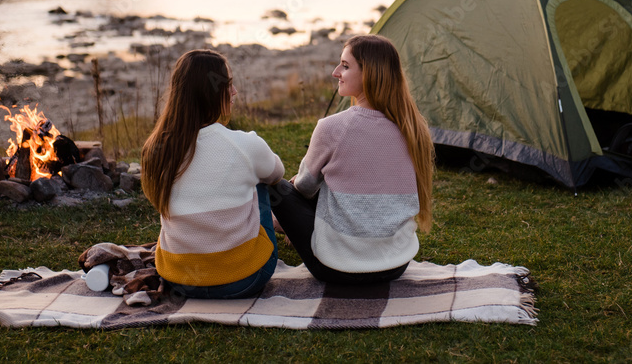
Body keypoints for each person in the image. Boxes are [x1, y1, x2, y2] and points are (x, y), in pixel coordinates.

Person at [269, 34, 434, 284]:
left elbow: (304, 187)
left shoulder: (332, 127)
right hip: (395, 265)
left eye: (345, 66)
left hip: (335, 268)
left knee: (276, 187)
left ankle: (269, 230)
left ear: (369, 73)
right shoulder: (412, 128)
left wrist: (297, 197)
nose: (336, 72)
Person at [141, 49, 284, 299]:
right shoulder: (245, 144)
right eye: (228, 84)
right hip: (245, 278)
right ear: (212, 91)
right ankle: (261, 229)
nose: (234, 91)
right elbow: (276, 174)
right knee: (261, 180)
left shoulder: (156, 149)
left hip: (179, 280)